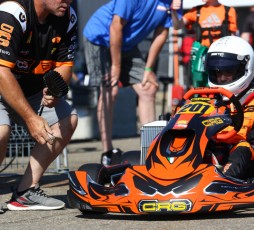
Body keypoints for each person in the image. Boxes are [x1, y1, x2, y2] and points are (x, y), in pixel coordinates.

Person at [83, 0, 182, 166]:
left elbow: (163, 33)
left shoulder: (174, 2)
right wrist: (116, 66)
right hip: (100, 38)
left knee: (148, 88)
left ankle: (151, 150)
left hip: (126, 44)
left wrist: (149, 70)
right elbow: (115, 27)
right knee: (109, 91)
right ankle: (107, 152)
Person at [0, 0, 78, 211]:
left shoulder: (67, 17)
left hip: (31, 89)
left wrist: (54, 89)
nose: (68, 1)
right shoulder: (13, 13)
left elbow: (65, 66)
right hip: (1, 83)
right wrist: (30, 118)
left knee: (67, 119)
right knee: (1, 130)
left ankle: (26, 192)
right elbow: (1, 72)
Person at [205, 36, 254, 180]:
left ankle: (224, 180)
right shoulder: (206, 101)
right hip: (212, 153)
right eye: (218, 72)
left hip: (246, 162)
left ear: (245, 68)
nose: (222, 78)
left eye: (228, 71)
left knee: (243, 147)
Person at [180, 0, 238, 87]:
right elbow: (178, 25)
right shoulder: (196, 10)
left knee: (219, 78)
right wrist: (173, 11)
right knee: (199, 80)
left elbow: (233, 36)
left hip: (221, 53)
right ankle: (200, 97)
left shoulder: (228, 10)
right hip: (201, 53)